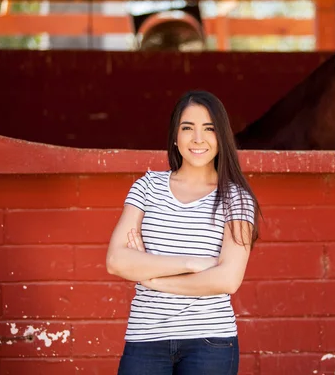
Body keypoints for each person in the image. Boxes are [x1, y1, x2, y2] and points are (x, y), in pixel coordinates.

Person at [106, 90, 261, 375]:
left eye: (209, 129)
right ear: (175, 138)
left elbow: (227, 279)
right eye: (187, 128)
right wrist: (191, 263)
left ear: (222, 137)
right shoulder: (148, 186)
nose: (198, 138)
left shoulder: (236, 199)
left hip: (210, 342)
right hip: (145, 338)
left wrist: (151, 278)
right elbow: (116, 260)